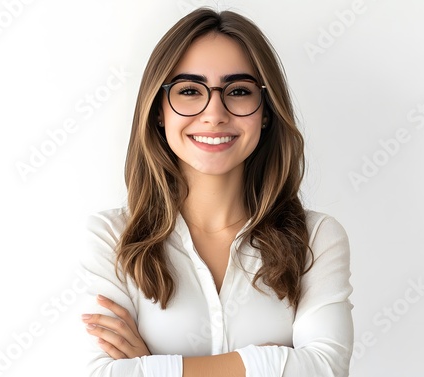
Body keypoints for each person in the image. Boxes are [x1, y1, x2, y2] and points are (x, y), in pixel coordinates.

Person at [79, 7, 353, 377]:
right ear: (160, 111)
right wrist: (268, 361)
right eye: (190, 91)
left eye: (238, 91)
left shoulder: (317, 239)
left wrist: (151, 366)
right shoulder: (112, 238)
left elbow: (325, 369)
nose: (214, 114)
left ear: (266, 112)